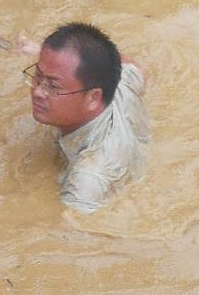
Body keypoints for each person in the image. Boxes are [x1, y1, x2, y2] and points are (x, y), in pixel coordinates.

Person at [20, 21, 149, 213]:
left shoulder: (87, 179)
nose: (38, 92)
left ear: (93, 97)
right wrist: (56, 61)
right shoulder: (122, 84)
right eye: (38, 77)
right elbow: (139, 69)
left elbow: (64, 237)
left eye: (53, 86)